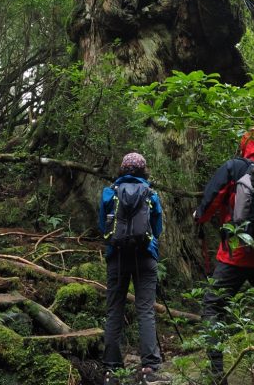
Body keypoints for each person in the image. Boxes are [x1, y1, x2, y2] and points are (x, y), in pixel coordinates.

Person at [194, 128, 254, 385]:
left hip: (235, 254)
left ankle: (216, 374)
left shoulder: (236, 167)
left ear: (246, 144)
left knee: (213, 306)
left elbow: (213, 197)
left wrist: (199, 218)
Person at [99, 152, 165, 384]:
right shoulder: (151, 194)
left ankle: (110, 370)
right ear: (143, 171)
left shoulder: (110, 193)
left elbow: (103, 226)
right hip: (145, 257)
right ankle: (149, 368)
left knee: (114, 310)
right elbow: (157, 229)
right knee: (145, 309)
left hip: (116, 257)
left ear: (122, 169)